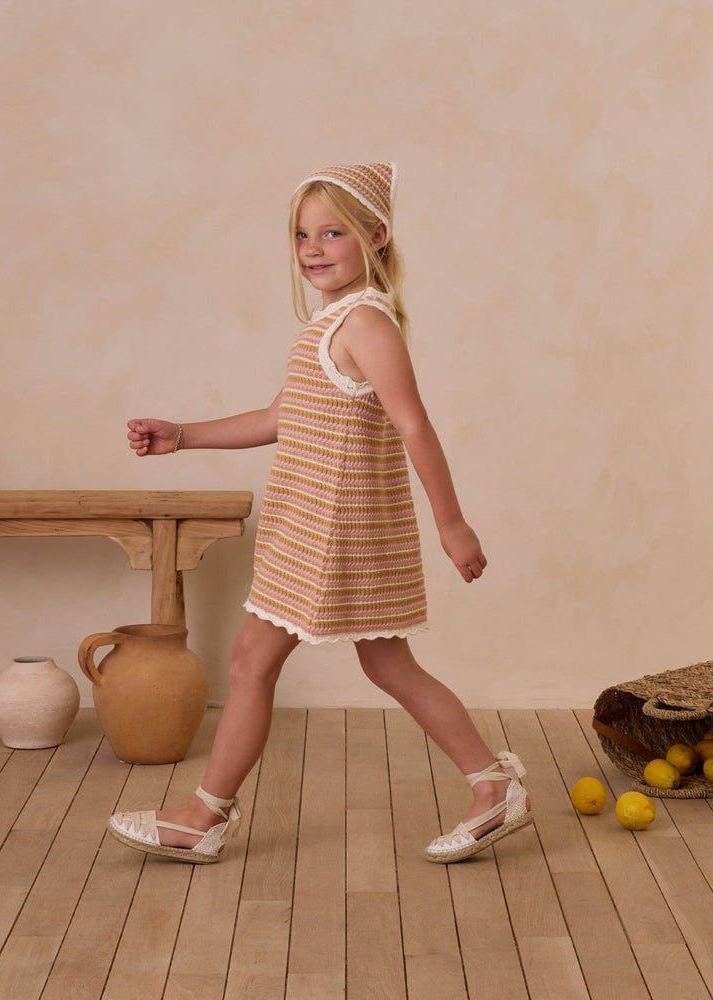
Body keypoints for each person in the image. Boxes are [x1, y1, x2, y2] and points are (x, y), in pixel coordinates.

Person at [108, 162, 532, 865]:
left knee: (254, 661)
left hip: (335, 531)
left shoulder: (366, 324)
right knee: (385, 666)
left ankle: (203, 817)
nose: (312, 248)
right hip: (314, 526)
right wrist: (182, 435)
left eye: (332, 232)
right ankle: (494, 786)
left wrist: (452, 524)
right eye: (302, 235)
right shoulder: (330, 325)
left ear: (376, 236)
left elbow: (414, 425)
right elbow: (281, 416)